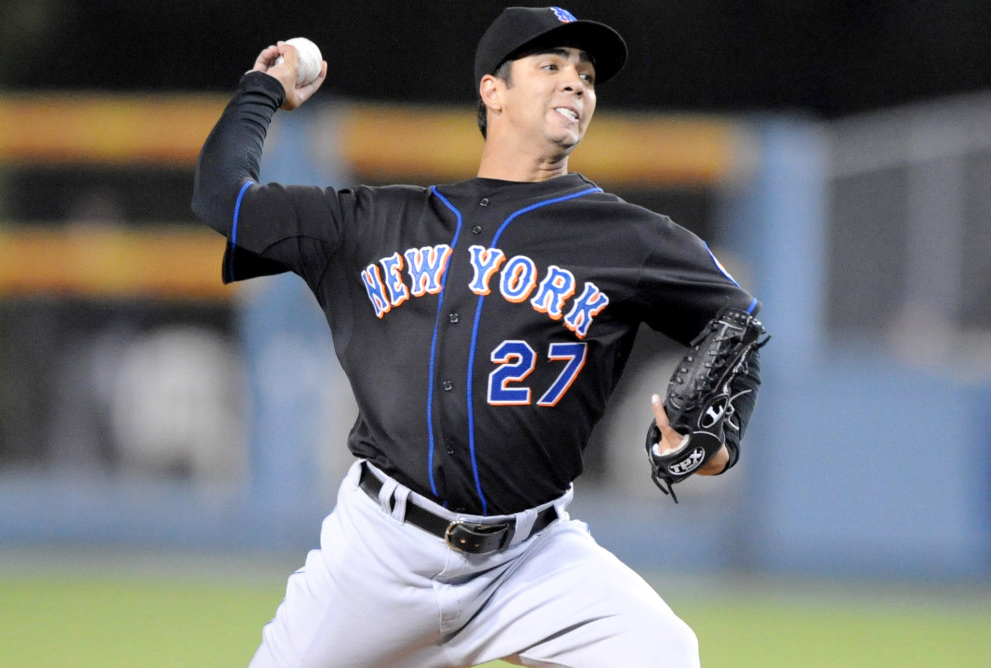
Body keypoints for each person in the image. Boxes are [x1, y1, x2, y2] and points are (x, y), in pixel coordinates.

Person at [192, 6, 764, 667]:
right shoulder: (375, 222)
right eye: (551, 66)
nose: (576, 83)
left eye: (586, 74)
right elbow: (222, 198)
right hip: (379, 554)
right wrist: (264, 91)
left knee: (664, 651)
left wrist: (716, 440)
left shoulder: (627, 237)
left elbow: (736, 321)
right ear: (493, 90)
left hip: (532, 561)